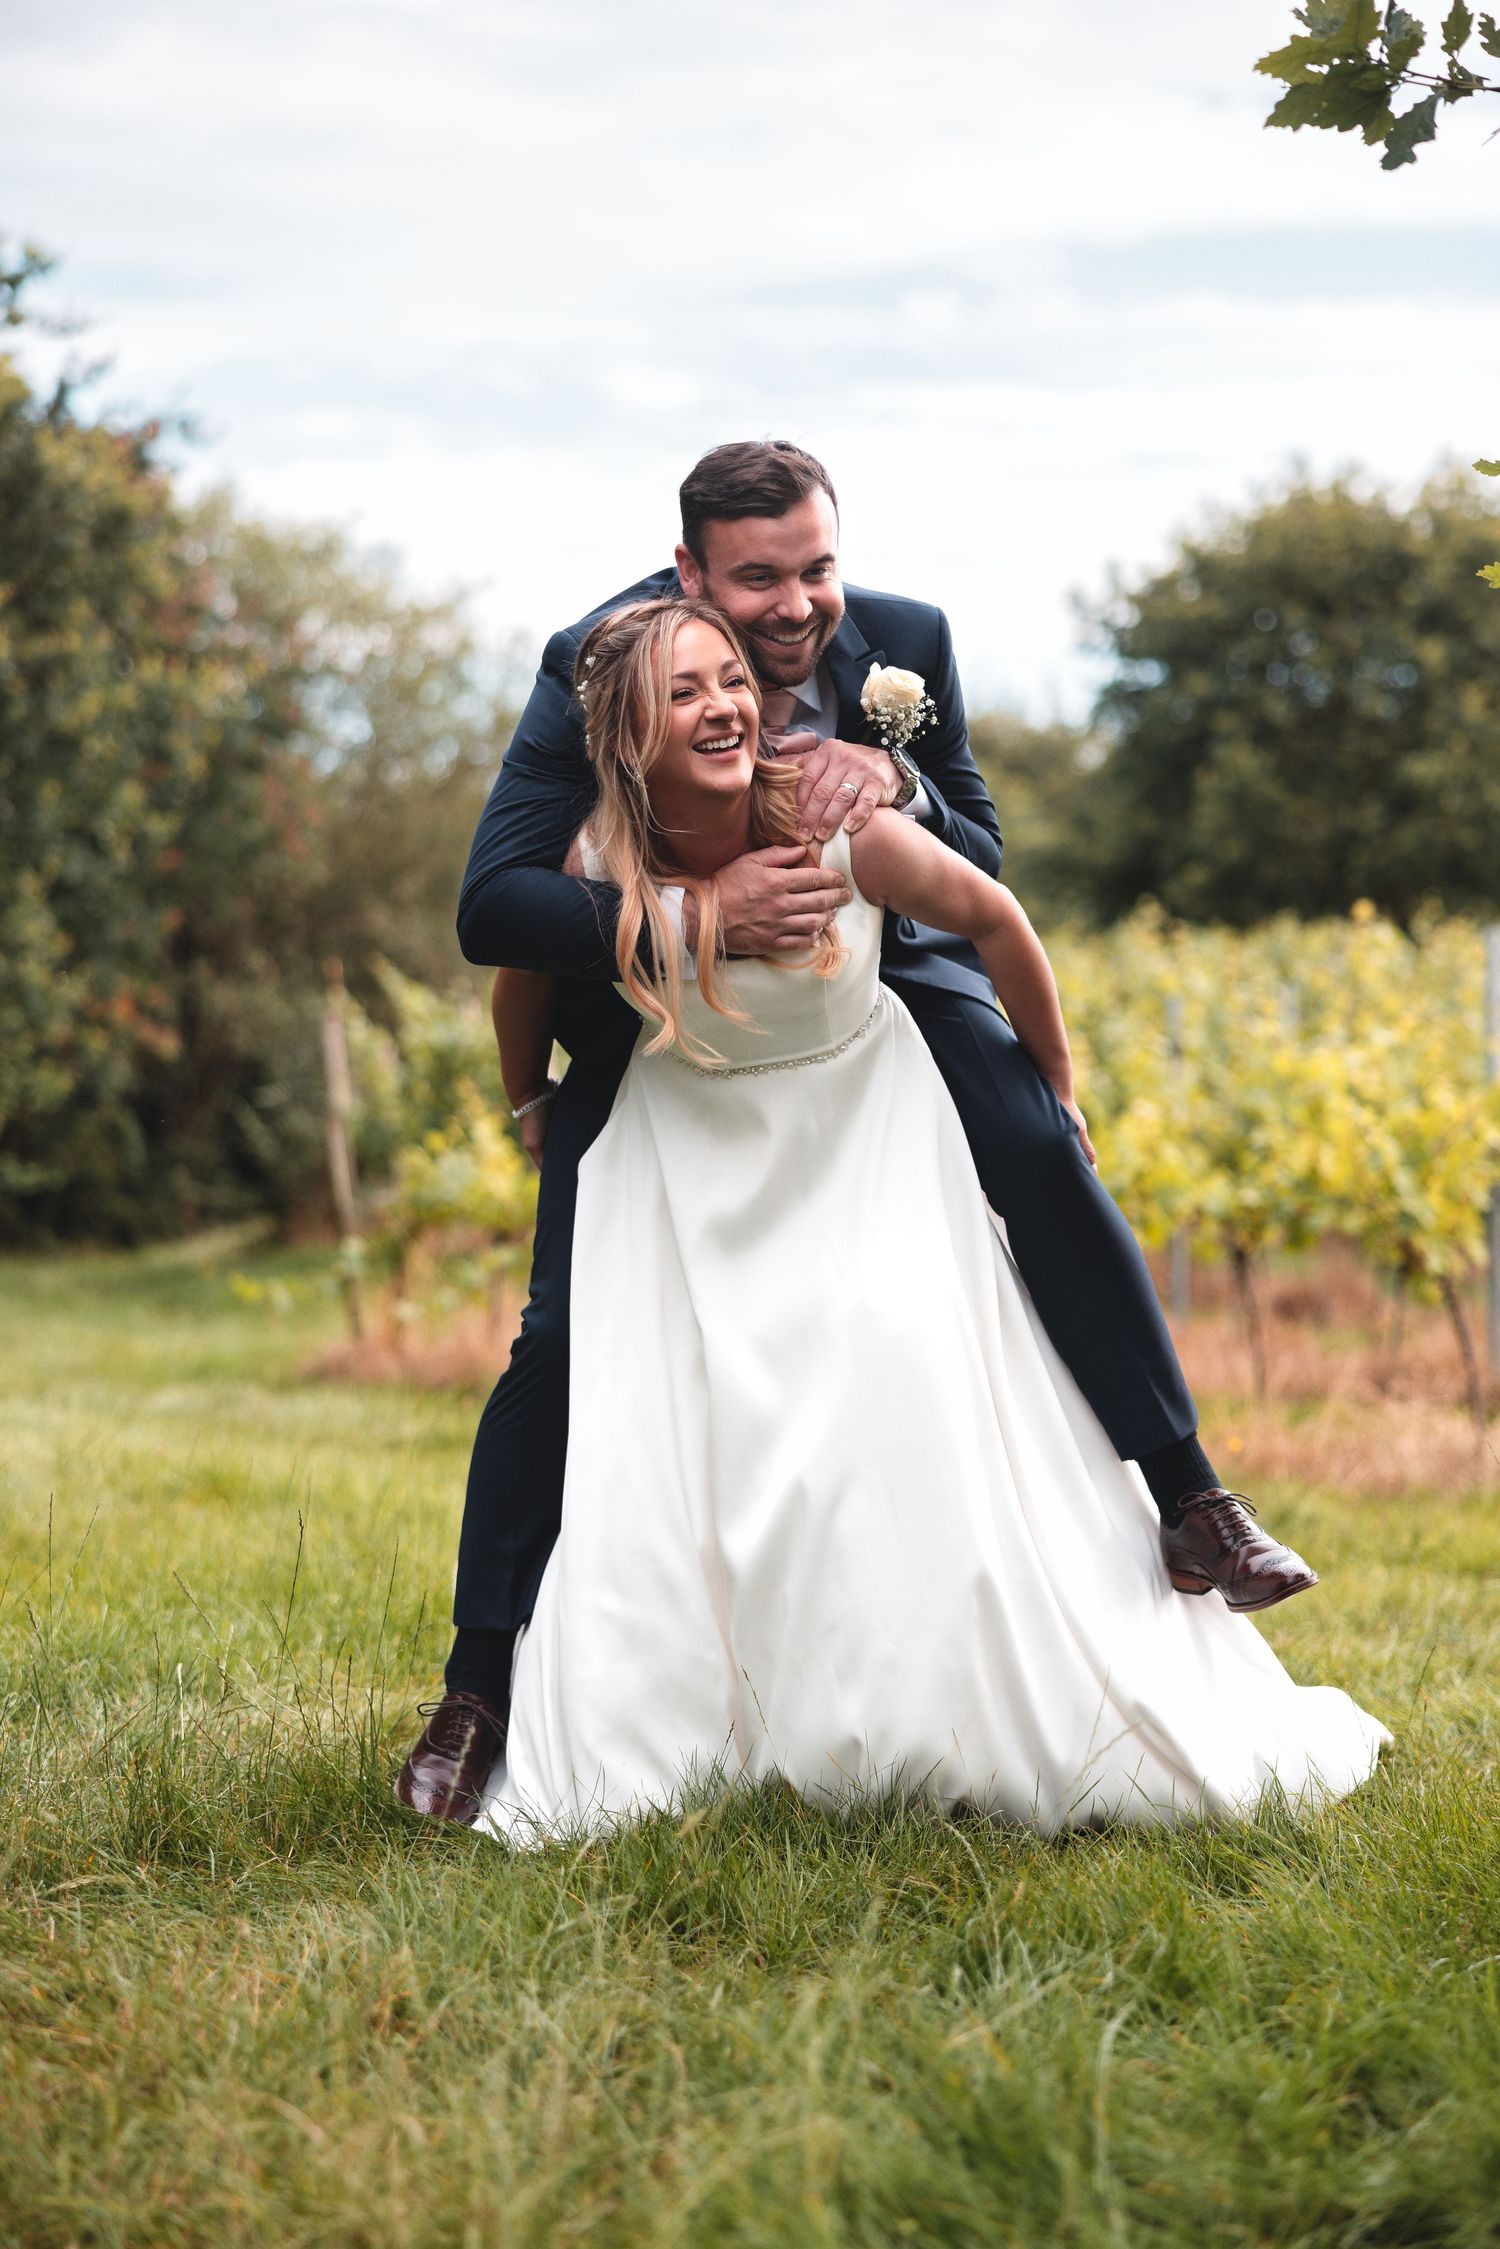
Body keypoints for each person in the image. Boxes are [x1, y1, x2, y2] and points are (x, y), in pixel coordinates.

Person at [396, 441, 1319, 1825]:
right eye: (755, 578)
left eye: (815, 569)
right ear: (689, 567)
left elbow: (984, 866)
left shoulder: (908, 644)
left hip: (869, 981)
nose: (792, 606)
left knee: (1034, 1137)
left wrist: (897, 791)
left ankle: (1191, 1496)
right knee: (560, 1330)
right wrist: (689, 925)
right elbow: (496, 911)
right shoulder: (602, 657)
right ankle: (478, 1687)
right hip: (658, 1010)